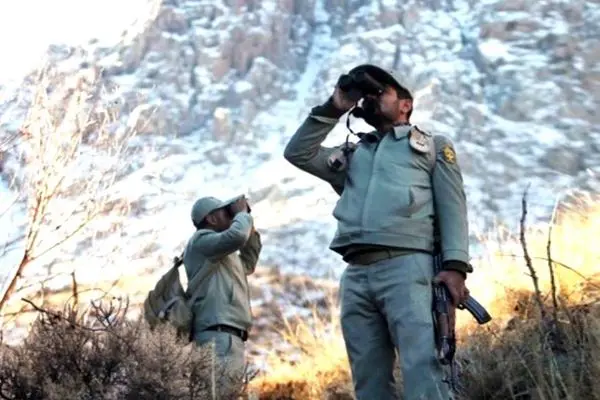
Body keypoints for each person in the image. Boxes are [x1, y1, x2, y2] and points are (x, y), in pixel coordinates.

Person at [283, 64, 472, 400]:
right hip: (356, 274)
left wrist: (455, 267)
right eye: (366, 94)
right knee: (368, 381)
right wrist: (334, 107)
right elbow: (298, 153)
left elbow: (453, 208)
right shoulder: (352, 154)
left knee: (424, 371)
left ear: (405, 104)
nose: (370, 97)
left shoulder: (431, 148)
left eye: (380, 91)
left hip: (409, 267)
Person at [183, 194, 262, 395]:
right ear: (211, 219)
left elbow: (248, 262)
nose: (230, 215)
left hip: (229, 335)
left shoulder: (223, 254)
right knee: (219, 394)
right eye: (224, 212)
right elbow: (236, 237)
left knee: (227, 393)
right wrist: (241, 216)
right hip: (217, 335)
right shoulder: (201, 241)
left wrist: (247, 223)